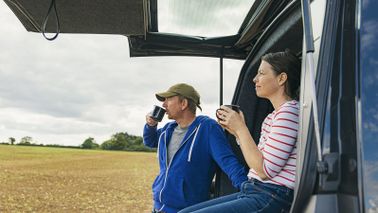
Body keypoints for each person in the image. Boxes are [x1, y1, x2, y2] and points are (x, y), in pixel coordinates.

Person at [178, 50, 301, 213]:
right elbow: (260, 158)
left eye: (261, 73)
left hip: (271, 195)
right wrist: (237, 132)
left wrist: (241, 129)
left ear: (281, 78)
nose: (255, 79)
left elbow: (264, 171)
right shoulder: (274, 115)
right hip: (257, 190)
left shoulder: (289, 113)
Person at [143, 83, 248, 213]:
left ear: (184, 104)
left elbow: (227, 161)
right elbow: (150, 141)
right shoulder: (167, 130)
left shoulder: (208, 128)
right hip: (158, 207)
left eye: (168, 99)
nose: (164, 105)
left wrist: (247, 188)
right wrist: (151, 125)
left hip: (188, 209)